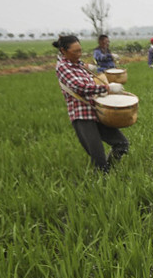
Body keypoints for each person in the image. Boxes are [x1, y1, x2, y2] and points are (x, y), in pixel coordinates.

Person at [53, 34, 129, 173]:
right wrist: (107, 88)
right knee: (98, 159)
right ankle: (102, 179)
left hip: (97, 111)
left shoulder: (78, 63)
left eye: (80, 50)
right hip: (82, 116)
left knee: (121, 144)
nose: (79, 54)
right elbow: (79, 87)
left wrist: (100, 86)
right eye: (75, 51)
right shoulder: (63, 67)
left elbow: (90, 81)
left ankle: (109, 171)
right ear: (63, 51)